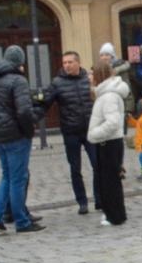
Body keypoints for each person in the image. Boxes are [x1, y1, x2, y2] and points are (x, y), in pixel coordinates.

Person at [0, 45, 43, 233]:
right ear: (20, 62)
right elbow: (24, 111)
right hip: (15, 134)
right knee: (18, 178)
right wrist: (29, 129)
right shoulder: (18, 80)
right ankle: (21, 221)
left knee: (7, 176)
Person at [39, 51, 98, 215]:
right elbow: (45, 103)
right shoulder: (57, 83)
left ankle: (99, 199)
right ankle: (82, 202)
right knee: (75, 168)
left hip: (90, 130)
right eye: (64, 63)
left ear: (78, 63)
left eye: (70, 62)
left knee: (97, 165)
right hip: (70, 130)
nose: (67, 65)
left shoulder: (89, 80)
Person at [87, 61, 130, 227]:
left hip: (109, 142)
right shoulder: (104, 94)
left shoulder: (109, 95)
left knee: (110, 181)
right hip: (107, 142)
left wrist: (94, 134)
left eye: (92, 74)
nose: (89, 77)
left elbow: (113, 122)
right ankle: (112, 213)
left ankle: (115, 215)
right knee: (107, 180)